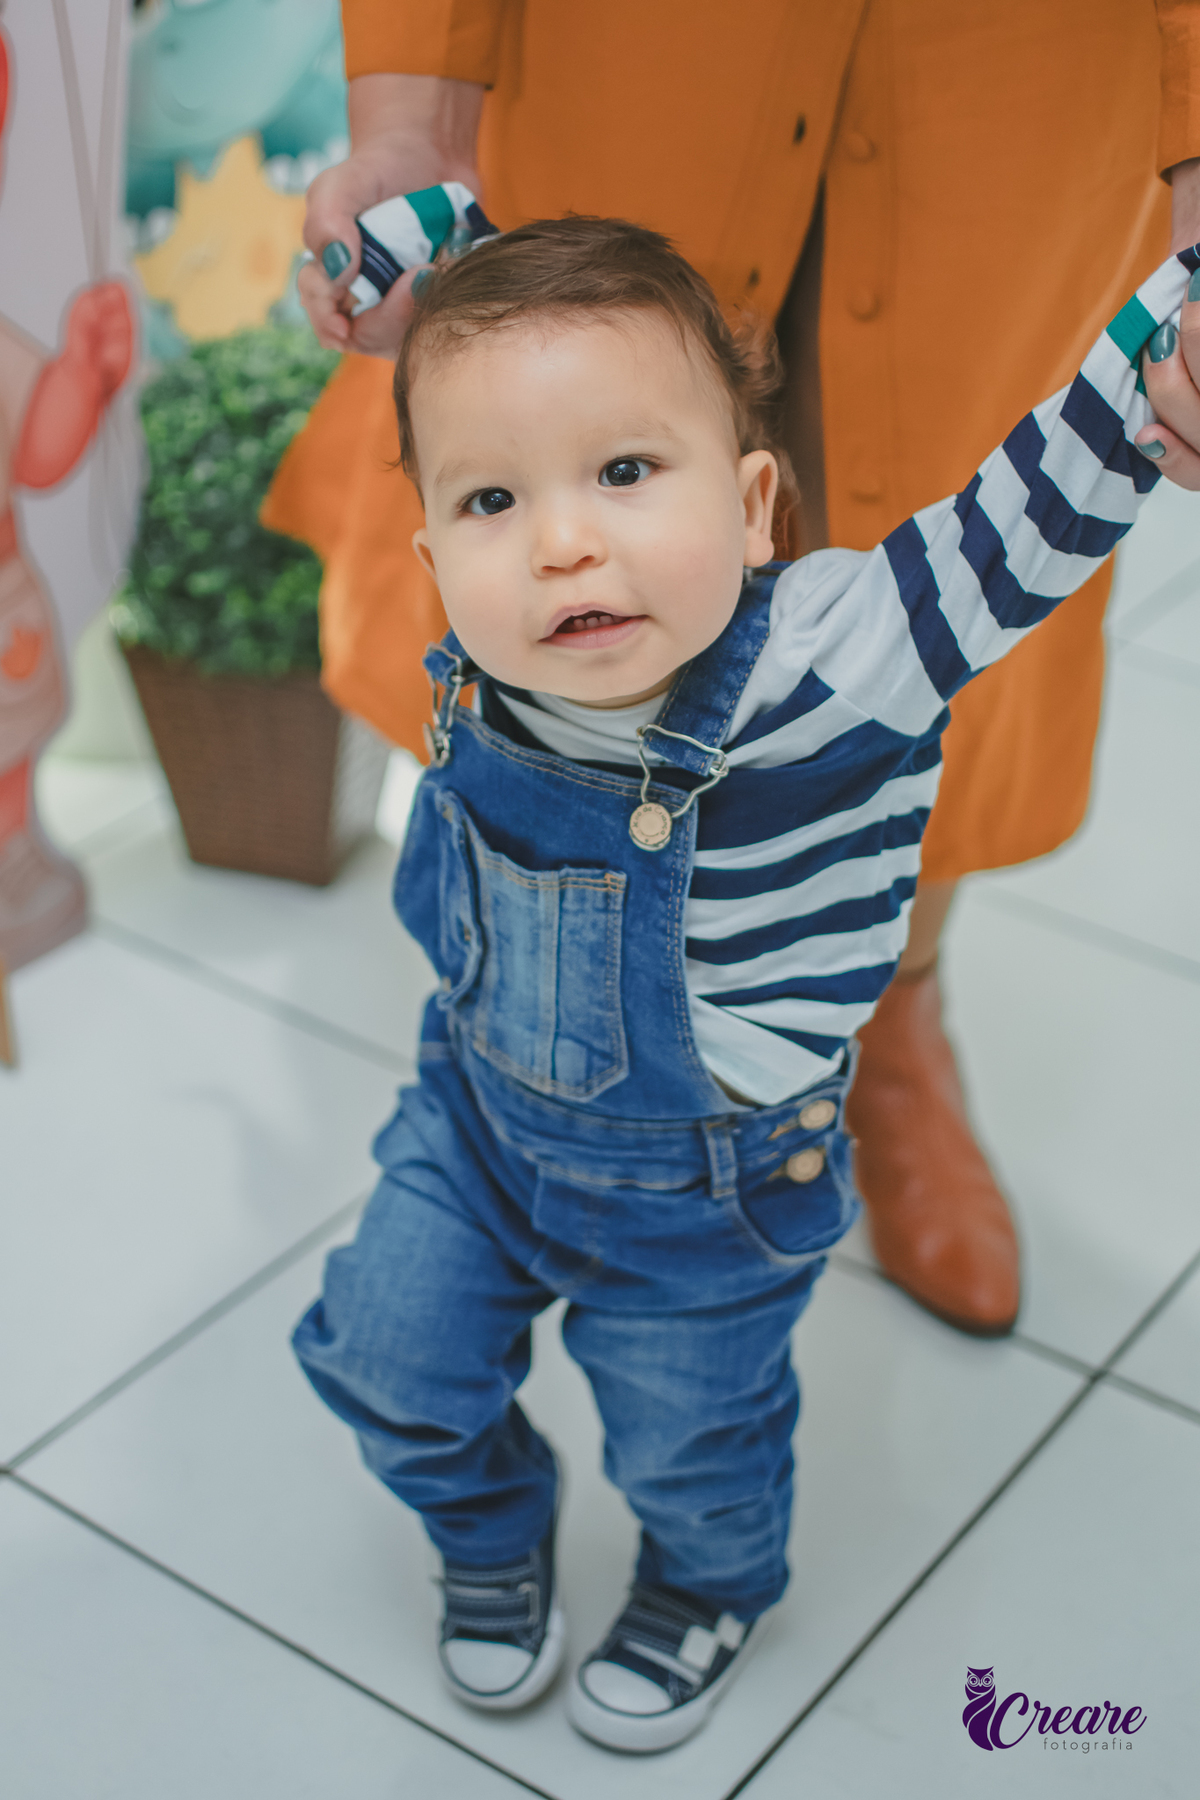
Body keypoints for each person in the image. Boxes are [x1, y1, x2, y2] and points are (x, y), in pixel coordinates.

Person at [292, 213, 1190, 1752]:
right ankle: (493, 1532)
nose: (564, 540)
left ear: (758, 503)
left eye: (628, 473)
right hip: (480, 1120)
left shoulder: (841, 651)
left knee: (690, 1442)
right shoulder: (491, 657)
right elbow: (494, 293)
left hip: (710, 1189)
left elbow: (1028, 506)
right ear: (434, 554)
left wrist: (1174, 328)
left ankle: (707, 1582)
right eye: (494, 499)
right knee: (380, 1348)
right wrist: (418, 225)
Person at [272, 0, 1200, 1338]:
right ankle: (526, 1026)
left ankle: (889, 1021)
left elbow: (1012, 542)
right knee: (555, 469)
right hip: (646, 56)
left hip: (1019, 84)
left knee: (928, 558)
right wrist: (411, 120)